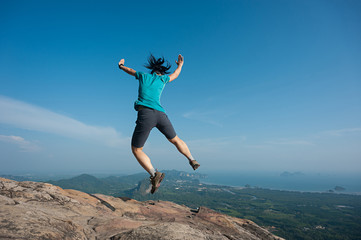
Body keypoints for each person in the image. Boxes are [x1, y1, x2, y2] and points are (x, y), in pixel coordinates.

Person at [118, 54, 200, 194]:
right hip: (161, 115)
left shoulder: (144, 76)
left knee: (137, 150)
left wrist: (121, 66)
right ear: (161, 73)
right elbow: (175, 75)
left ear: (152, 71)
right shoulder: (163, 79)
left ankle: (154, 174)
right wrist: (180, 65)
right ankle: (192, 159)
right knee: (175, 139)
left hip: (146, 114)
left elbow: (130, 70)